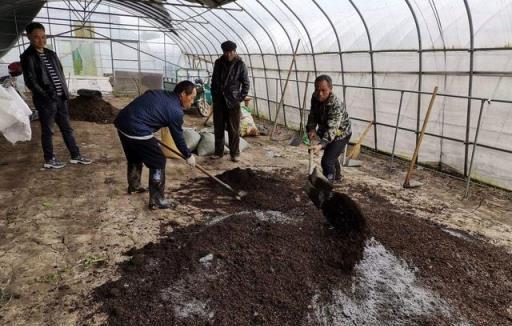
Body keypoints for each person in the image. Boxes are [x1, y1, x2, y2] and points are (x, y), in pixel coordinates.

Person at [114, 81, 197, 210]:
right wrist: (188, 155)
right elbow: (178, 137)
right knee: (158, 160)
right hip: (137, 128)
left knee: (135, 155)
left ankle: (134, 186)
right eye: (191, 98)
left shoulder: (160, 93)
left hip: (122, 122)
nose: (192, 102)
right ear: (182, 94)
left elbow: (148, 101)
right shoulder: (176, 111)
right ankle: (157, 200)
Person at [20, 22, 91, 169]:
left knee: (67, 128)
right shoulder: (27, 57)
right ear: (29, 38)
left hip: (61, 98)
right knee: (48, 130)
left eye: (43, 37)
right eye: (36, 37)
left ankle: (75, 155)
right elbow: (31, 81)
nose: (41, 40)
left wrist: (64, 93)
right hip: (46, 101)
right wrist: (46, 96)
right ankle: (49, 159)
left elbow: (60, 74)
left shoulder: (51, 54)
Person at [306, 75, 352, 183]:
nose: (320, 93)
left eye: (323, 90)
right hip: (326, 131)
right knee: (331, 155)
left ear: (331, 89)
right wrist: (311, 129)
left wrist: (321, 144)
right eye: (317, 89)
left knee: (327, 161)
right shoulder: (315, 97)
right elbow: (313, 114)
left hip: (341, 133)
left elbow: (332, 129)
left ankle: (328, 184)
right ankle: (337, 176)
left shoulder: (335, 104)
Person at [210, 40, 250, 162]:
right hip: (219, 101)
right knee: (218, 128)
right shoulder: (218, 63)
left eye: (230, 52)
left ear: (234, 51)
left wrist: (239, 98)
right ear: (223, 52)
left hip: (233, 101)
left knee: (234, 129)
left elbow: (246, 83)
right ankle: (219, 152)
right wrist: (214, 95)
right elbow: (214, 81)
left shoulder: (240, 64)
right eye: (226, 52)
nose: (228, 54)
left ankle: (234, 153)